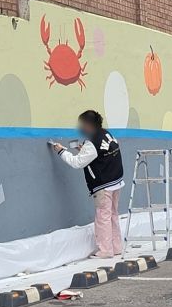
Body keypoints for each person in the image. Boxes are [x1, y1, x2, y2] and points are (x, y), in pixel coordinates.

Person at [51, 110, 124, 259]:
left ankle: (105, 250)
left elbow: (77, 162)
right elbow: (101, 153)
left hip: (103, 186)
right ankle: (116, 247)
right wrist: (84, 150)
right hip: (116, 182)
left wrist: (61, 151)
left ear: (88, 125)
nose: (80, 128)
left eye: (82, 124)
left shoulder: (92, 142)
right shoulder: (106, 134)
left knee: (103, 217)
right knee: (112, 215)